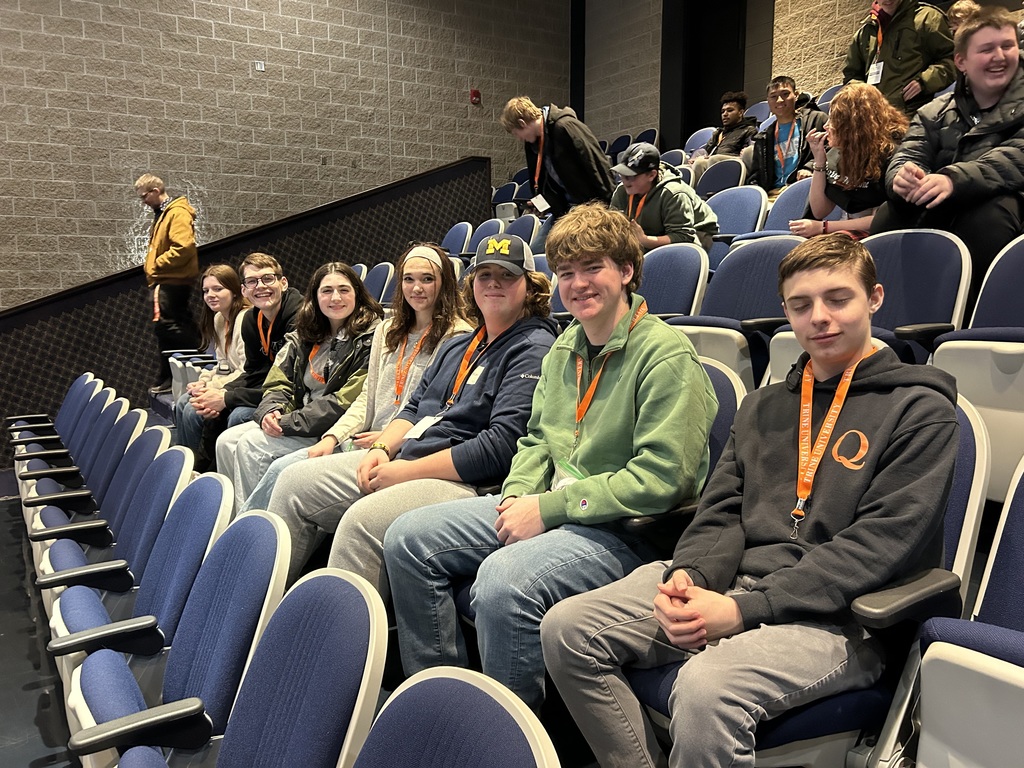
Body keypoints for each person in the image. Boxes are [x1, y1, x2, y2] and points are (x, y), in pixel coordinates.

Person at [539, 233, 960, 768]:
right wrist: (692, 573)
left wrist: (743, 610)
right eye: (801, 305)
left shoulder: (920, 409)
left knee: (706, 688)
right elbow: (721, 510)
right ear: (785, 311)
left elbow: (880, 546)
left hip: (840, 618)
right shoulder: (763, 405)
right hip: (734, 579)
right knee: (567, 631)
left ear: (874, 298)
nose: (820, 318)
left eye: (838, 299)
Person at [383, 203, 719, 712]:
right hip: (549, 505)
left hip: (625, 529)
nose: (578, 283)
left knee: (502, 583)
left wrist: (546, 511)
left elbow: (662, 480)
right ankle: (442, 705)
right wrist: (517, 496)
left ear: (626, 271)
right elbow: (536, 439)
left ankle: (515, 740)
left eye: (593, 268)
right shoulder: (566, 347)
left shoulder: (666, 356)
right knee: (408, 539)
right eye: (566, 272)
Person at [265, 234, 557, 586]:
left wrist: (406, 471)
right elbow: (415, 407)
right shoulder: (462, 344)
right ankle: (259, 607)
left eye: (507, 275)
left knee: (362, 522)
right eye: (485, 275)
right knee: (294, 481)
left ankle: (343, 636)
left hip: (466, 481)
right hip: (410, 458)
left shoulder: (534, 346)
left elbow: (499, 446)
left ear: (531, 285)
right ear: (472, 284)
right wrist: (381, 448)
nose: (494, 283)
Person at [237, 243, 473, 512]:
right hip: (360, 436)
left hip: (400, 446)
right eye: (409, 279)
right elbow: (365, 398)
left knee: (287, 473)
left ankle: (254, 541)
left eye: (427, 279)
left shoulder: (458, 337)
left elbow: (436, 410)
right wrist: (333, 437)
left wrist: (386, 440)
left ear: (445, 284)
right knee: (274, 463)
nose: (416, 288)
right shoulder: (389, 329)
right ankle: (250, 535)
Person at [871, 6, 1024, 312]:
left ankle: (976, 319)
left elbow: (1016, 157)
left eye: (1008, 46)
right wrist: (903, 176)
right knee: (889, 215)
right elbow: (908, 153)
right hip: (948, 201)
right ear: (961, 61)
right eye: (986, 49)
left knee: (989, 217)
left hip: (1005, 204)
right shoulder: (934, 111)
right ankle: (889, 318)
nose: (999, 56)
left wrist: (953, 179)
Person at [216, 262, 382, 510]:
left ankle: (253, 529)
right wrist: (272, 410)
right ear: (315, 297)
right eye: (326, 291)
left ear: (357, 294)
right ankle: (234, 515)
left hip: (330, 426)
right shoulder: (306, 332)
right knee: (227, 441)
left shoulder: (371, 338)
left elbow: (344, 401)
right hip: (298, 416)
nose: (335, 298)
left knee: (253, 446)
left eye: (344, 290)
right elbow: (278, 378)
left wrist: (287, 422)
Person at [189, 252, 302, 472]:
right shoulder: (253, 319)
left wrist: (226, 397)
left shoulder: (299, 317)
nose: (260, 286)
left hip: (296, 395)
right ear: (244, 290)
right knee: (202, 405)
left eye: (268, 278)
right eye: (252, 281)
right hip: (271, 389)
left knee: (238, 414)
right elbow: (253, 373)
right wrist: (219, 394)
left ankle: (218, 473)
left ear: (283, 282)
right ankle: (203, 470)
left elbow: (293, 383)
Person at [788, 83, 908, 240]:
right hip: (847, 232)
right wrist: (819, 160)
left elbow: (886, 219)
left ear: (854, 125)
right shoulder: (838, 154)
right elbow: (820, 211)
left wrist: (824, 227)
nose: (826, 126)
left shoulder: (891, 154)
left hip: (881, 236)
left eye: (835, 120)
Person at [135, 173, 200, 394]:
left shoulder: (176, 212)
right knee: (171, 326)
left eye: (144, 196)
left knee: (168, 327)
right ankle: (174, 374)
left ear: (155, 191)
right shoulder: (163, 214)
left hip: (171, 279)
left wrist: (156, 265)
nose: (143, 201)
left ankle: (183, 371)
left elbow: (184, 247)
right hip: (168, 279)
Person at [174, 265, 251, 452]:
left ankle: (198, 467)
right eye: (206, 291)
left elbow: (245, 371)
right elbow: (222, 364)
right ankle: (185, 462)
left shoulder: (245, 318)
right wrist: (203, 382)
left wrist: (212, 388)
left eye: (218, 289)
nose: (210, 295)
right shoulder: (218, 319)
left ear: (234, 291)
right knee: (182, 402)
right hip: (230, 382)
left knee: (192, 410)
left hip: (246, 385)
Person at [500, 96, 615, 219]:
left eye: (516, 134)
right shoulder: (533, 145)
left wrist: (611, 207)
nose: (519, 139)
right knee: (541, 239)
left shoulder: (565, 126)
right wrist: (542, 205)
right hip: (564, 211)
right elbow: (551, 184)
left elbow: (595, 164)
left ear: (522, 123)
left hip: (589, 209)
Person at [842, 0, 955, 116]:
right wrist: (864, 94)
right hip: (875, 121)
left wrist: (924, 81)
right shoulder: (865, 32)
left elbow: (952, 60)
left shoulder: (927, 17)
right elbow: (851, 75)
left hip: (915, 117)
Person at [610, 142, 719, 252]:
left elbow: (683, 237)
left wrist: (644, 240)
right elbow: (612, 226)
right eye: (622, 175)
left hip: (695, 240)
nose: (624, 181)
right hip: (651, 236)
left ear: (652, 175)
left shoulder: (674, 193)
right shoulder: (622, 190)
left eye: (631, 176)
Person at [747, 77, 828, 199]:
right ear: (768, 101)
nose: (779, 100)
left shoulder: (816, 120)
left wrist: (810, 167)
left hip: (804, 188)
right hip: (772, 194)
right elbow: (756, 174)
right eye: (773, 96)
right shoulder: (763, 137)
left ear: (796, 95)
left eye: (785, 94)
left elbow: (832, 149)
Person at [689, 91, 760, 183]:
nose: (725, 114)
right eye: (723, 111)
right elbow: (706, 150)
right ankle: (696, 195)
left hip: (735, 164)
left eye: (730, 110)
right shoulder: (718, 133)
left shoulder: (749, 130)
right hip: (714, 160)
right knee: (699, 162)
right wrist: (696, 157)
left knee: (714, 159)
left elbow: (750, 155)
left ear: (740, 113)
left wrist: (712, 157)